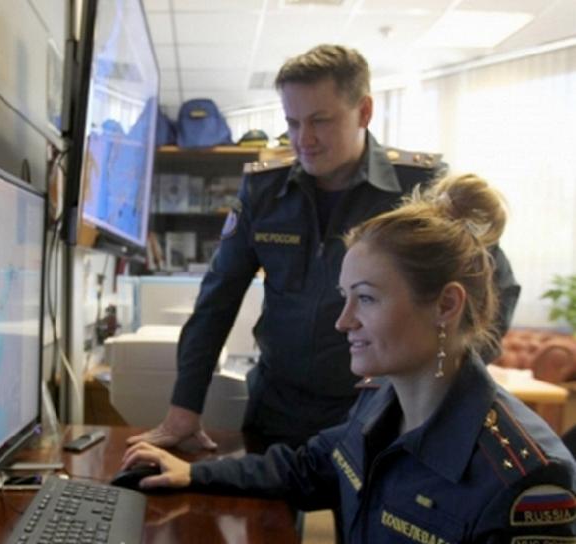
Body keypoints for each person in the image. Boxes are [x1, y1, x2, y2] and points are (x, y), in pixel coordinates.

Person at [122, 173, 576, 544]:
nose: (343, 322)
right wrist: (193, 474)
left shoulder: (525, 479)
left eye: (367, 298)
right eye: (346, 298)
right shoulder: (378, 404)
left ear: (446, 305)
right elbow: (306, 468)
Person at [127, 45, 520, 454]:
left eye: (320, 121)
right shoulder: (265, 190)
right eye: (293, 122)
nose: (304, 139)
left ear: (364, 112)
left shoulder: (419, 186)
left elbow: (498, 290)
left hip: (381, 416)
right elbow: (216, 301)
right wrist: (184, 408)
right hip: (276, 409)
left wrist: (438, 385)